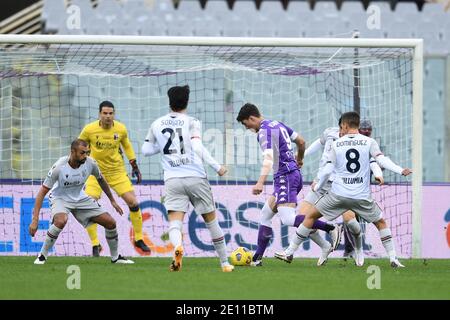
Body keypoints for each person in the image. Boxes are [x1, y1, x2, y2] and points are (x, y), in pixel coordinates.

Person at [275, 111, 411, 268]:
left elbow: (327, 169)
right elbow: (380, 159)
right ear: (358, 125)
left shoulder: (337, 144)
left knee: (311, 217)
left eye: (342, 126)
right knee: (380, 222)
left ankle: (292, 250)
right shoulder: (368, 141)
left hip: (338, 192)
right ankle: (393, 258)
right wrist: (400, 170)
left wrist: (318, 183)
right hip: (360, 195)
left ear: (345, 125)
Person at [141, 85, 234, 272]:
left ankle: (177, 248)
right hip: (195, 176)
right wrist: (217, 167)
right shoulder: (192, 121)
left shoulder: (157, 123)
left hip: (172, 180)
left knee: (175, 222)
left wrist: (166, 146)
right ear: (187, 101)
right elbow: (198, 147)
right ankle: (224, 263)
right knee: (211, 221)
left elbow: (145, 150)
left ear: (170, 102)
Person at [236, 103, 341, 267]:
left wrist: (260, 182)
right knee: (265, 214)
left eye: (246, 124)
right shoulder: (277, 124)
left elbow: (268, 158)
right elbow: (301, 141)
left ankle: (331, 228)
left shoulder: (263, 131)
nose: (248, 128)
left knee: (288, 219)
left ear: (251, 118)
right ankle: (257, 258)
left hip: (285, 177)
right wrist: (299, 159)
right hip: (291, 174)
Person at [29, 139, 134, 264]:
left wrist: (112, 200)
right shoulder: (59, 167)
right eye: (82, 153)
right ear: (72, 152)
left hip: (80, 198)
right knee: (61, 221)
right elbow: (42, 193)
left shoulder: (90, 163)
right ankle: (42, 256)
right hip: (60, 198)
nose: (85, 156)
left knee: (110, 222)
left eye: (87, 152)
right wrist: (35, 220)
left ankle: (115, 258)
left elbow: (101, 179)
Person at [303, 118, 383, 264]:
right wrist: (303, 156)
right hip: (325, 183)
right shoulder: (330, 133)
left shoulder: (363, 142)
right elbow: (320, 147)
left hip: (345, 187)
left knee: (350, 221)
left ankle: (357, 248)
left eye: (367, 131)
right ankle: (327, 245)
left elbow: (374, 162)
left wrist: (379, 172)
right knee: (303, 218)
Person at [79, 101, 150, 256]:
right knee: (89, 204)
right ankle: (95, 244)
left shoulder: (121, 129)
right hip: (95, 173)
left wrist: (134, 165)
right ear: (99, 114)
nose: (108, 116)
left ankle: (138, 238)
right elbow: (79, 146)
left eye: (111, 113)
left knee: (133, 202)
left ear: (114, 114)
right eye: (105, 113)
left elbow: (127, 146)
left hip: (117, 172)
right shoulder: (89, 129)